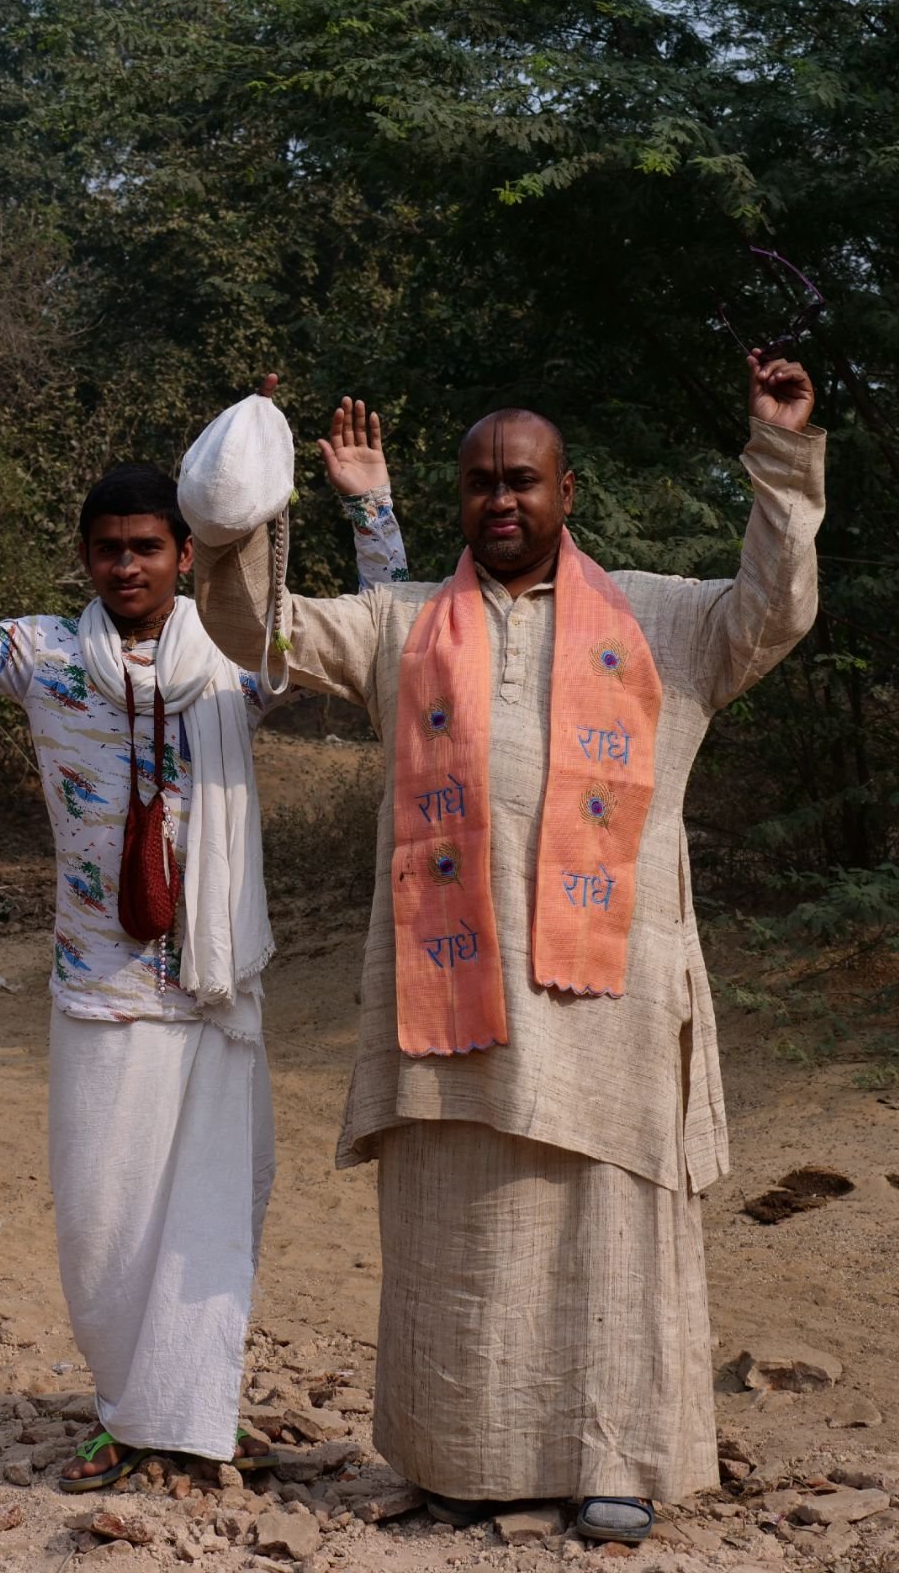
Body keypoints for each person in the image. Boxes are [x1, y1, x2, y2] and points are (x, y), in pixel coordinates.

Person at [183, 356, 823, 1538]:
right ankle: (453, 1456)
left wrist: (782, 454)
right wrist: (244, 490)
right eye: (479, 483)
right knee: (456, 1232)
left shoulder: (662, 619)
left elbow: (773, 610)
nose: (500, 501)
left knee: (607, 1235)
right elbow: (250, 626)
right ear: (458, 496)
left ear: (567, 491)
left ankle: (614, 1460)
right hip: (451, 1005)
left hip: (611, 1009)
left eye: (522, 480)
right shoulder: (397, 623)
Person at [0, 408, 407, 1490]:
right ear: (86, 555)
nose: (127, 565)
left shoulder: (238, 656)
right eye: (109, 547)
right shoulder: (43, 655)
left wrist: (368, 505)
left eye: (148, 547)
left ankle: (189, 1414)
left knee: (212, 1211)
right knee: (105, 1225)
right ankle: (131, 1405)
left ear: (185, 554)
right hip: (100, 984)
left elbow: (377, 636)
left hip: (214, 991)